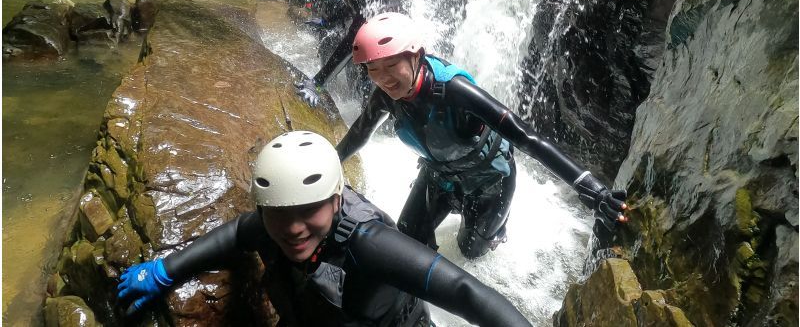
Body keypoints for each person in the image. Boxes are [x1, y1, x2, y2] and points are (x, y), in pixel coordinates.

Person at [117, 130, 533, 327]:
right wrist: (165, 270)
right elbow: (237, 234)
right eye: (280, 213)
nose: (293, 227)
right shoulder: (270, 222)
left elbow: (466, 293)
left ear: (337, 200)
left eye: (310, 210)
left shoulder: (371, 244)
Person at [336, 12, 629, 259]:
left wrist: (591, 189)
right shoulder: (386, 96)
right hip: (442, 174)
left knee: (469, 251)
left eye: (391, 65)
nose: (383, 78)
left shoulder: (455, 91)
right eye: (373, 69)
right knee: (409, 236)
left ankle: (496, 230)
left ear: (417, 56)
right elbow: (360, 133)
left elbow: (525, 136)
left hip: (490, 182)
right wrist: (330, 165)